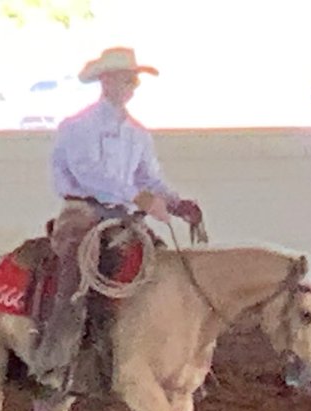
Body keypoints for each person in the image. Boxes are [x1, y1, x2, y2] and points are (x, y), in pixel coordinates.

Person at [31, 47, 204, 393]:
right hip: (81, 211)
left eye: (134, 79)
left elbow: (150, 176)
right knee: (77, 275)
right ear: (106, 81)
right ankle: (54, 361)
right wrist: (139, 198)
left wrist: (176, 202)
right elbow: (89, 174)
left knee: (161, 267)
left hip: (121, 215)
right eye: (128, 78)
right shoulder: (78, 127)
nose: (133, 85)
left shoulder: (137, 133)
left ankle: (157, 355)